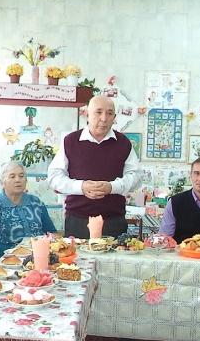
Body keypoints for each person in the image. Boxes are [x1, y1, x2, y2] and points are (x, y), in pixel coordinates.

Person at [47, 95, 142, 238]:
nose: (104, 118)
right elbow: (54, 177)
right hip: (78, 220)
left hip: (113, 220)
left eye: (109, 113)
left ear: (114, 117)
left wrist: (112, 187)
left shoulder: (123, 142)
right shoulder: (71, 141)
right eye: (98, 112)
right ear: (87, 114)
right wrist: (81, 187)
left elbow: (137, 177)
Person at [0, 160, 57, 261]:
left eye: (21, 176)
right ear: (2, 182)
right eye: (12, 176)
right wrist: (17, 255)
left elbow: (51, 232)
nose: (18, 180)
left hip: (39, 257)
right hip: (6, 260)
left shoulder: (36, 203)